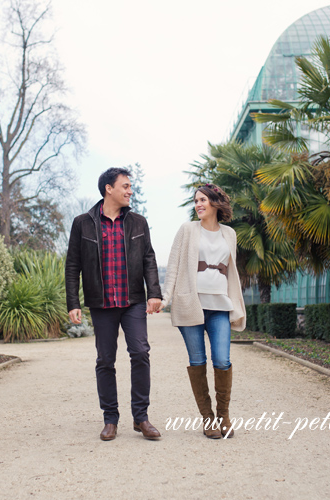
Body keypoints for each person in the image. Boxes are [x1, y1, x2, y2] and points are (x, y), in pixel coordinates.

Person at [65, 167, 164, 441]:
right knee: (105, 360)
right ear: (109, 188)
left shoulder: (138, 222)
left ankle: (141, 418)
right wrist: (73, 301)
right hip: (101, 303)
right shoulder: (83, 223)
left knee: (140, 353)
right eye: (125, 186)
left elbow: (148, 259)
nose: (130, 191)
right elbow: (73, 264)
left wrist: (154, 292)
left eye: (130, 186)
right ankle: (110, 419)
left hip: (132, 300)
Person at [161, 183, 246, 439]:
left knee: (222, 360)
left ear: (215, 203)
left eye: (203, 200)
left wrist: (237, 303)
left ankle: (224, 416)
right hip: (191, 304)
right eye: (196, 200)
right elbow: (174, 265)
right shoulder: (187, 230)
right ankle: (208, 419)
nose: (198, 204)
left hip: (220, 305)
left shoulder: (229, 234)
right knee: (197, 361)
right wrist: (165, 298)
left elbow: (230, 271)